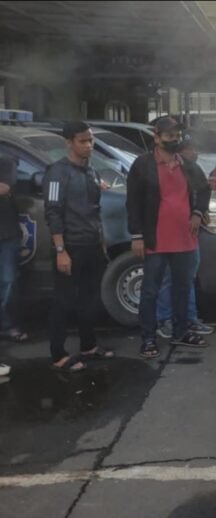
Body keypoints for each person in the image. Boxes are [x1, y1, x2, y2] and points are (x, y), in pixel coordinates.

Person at [127, 117, 211, 359]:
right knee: (150, 291)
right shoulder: (143, 165)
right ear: (157, 137)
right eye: (169, 136)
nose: (175, 140)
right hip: (155, 239)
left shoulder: (186, 165)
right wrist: (137, 235)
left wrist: (198, 213)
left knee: (182, 288)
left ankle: (181, 331)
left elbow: (204, 189)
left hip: (185, 239)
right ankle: (148, 338)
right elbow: (132, 202)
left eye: (177, 136)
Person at [44, 121, 114, 372]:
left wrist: (101, 241)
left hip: (91, 244)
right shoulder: (57, 173)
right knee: (64, 301)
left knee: (89, 299)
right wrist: (60, 250)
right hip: (70, 246)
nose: (89, 145)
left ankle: (89, 346)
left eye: (91, 140)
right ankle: (58, 354)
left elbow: (95, 210)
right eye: (83, 141)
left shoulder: (91, 171)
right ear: (69, 143)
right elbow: (53, 213)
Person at [154, 133, 214, 339]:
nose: (194, 153)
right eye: (190, 149)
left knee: (187, 277)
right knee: (167, 278)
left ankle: (189, 318)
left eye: (195, 149)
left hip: (188, 234)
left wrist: (199, 212)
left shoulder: (191, 168)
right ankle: (165, 320)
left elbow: (204, 191)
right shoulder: (154, 167)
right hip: (164, 234)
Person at [0, 156, 27, 343]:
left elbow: (6, 187)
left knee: (8, 281)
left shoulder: (6, 160)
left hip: (7, 234)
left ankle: (6, 325)